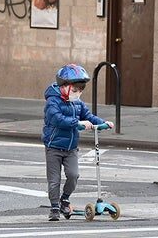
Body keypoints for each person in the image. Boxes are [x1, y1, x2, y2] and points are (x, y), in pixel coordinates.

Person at [42, 63, 114, 221]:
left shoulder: (77, 103)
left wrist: (102, 123)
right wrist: (78, 123)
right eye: (74, 90)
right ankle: (54, 207)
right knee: (54, 180)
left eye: (80, 91)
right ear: (64, 86)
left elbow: (88, 116)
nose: (77, 94)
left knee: (73, 175)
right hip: (54, 147)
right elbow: (57, 119)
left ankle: (64, 199)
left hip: (71, 148)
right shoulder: (52, 101)